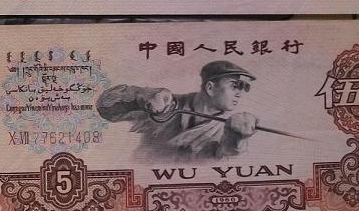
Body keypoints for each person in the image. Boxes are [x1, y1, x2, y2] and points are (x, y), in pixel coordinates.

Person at [96, 60, 258, 160]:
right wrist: (139, 96)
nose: (240, 93)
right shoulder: (165, 104)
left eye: (244, 87)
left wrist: (238, 138)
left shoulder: (230, 128)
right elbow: (105, 108)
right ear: (210, 87)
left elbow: (224, 154)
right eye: (235, 86)